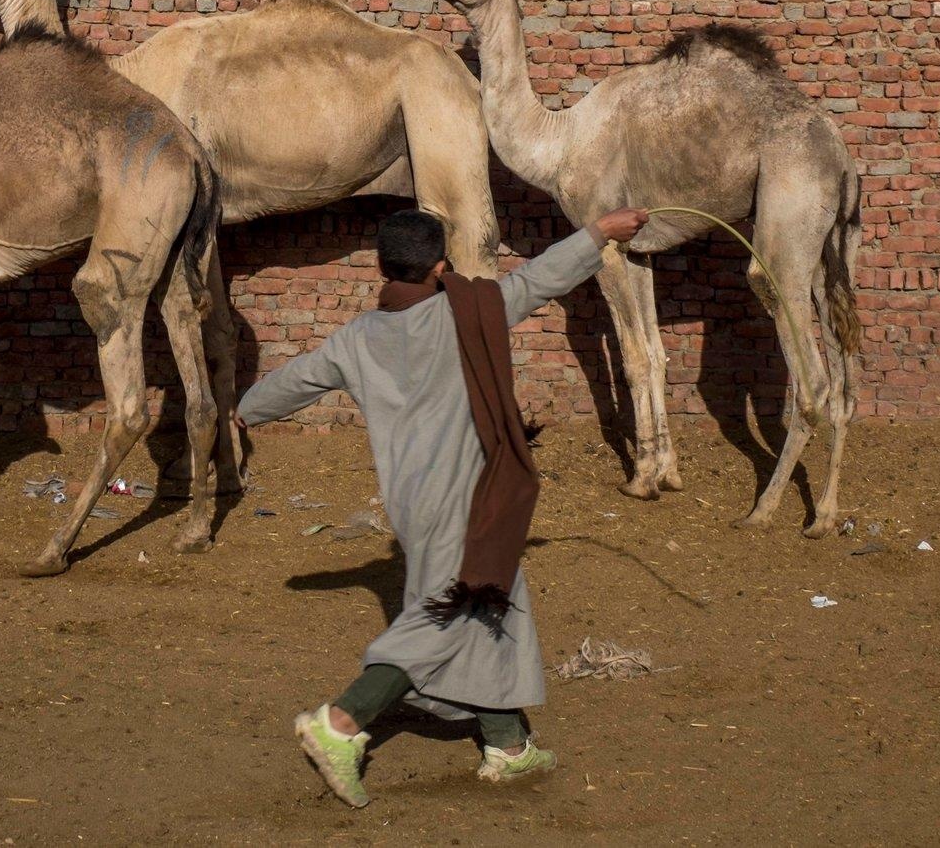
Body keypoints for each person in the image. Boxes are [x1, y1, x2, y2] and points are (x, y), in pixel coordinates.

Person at [236, 205, 649, 808]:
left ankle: (507, 747)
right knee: (447, 616)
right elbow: (539, 280)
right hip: (463, 498)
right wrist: (601, 235)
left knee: (493, 601)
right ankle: (343, 723)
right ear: (439, 265)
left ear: (383, 266)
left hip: (410, 504)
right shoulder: (466, 317)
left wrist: (234, 413)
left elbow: (287, 385)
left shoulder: (356, 340)